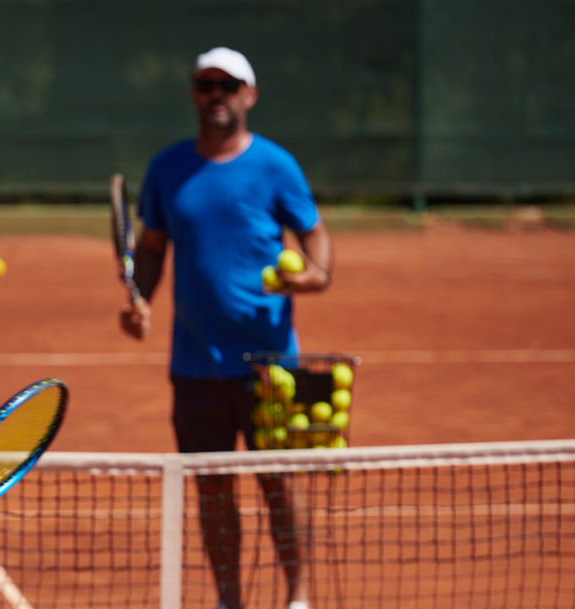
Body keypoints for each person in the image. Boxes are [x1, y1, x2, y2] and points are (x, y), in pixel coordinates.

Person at [119, 47, 333, 609]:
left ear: (249, 94)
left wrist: (316, 274)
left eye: (228, 85)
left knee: (280, 484)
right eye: (206, 84)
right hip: (193, 364)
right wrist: (140, 298)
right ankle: (229, 600)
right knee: (213, 490)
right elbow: (152, 249)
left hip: (271, 363)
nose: (216, 94)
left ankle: (300, 599)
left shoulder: (276, 165)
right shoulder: (168, 169)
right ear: (194, 92)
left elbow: (313, 232)